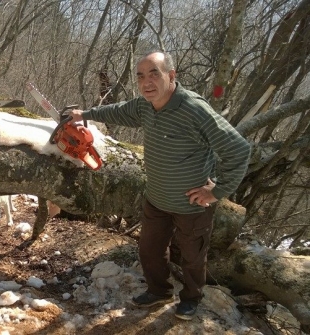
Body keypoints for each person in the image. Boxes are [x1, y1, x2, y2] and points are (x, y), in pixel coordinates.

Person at [67, 51, 250, 320]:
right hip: (157, 198)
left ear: (171, 76)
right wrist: (85, 114)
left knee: (192, 257)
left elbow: (239, 149)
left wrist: (217, 192)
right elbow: (119, 111)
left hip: (192, 204)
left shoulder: (194, 109)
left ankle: (190, 298)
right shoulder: (145, 106)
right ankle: (159, 291)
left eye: (154, 73)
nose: (147, 82)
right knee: (149, 250)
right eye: (140, 76)